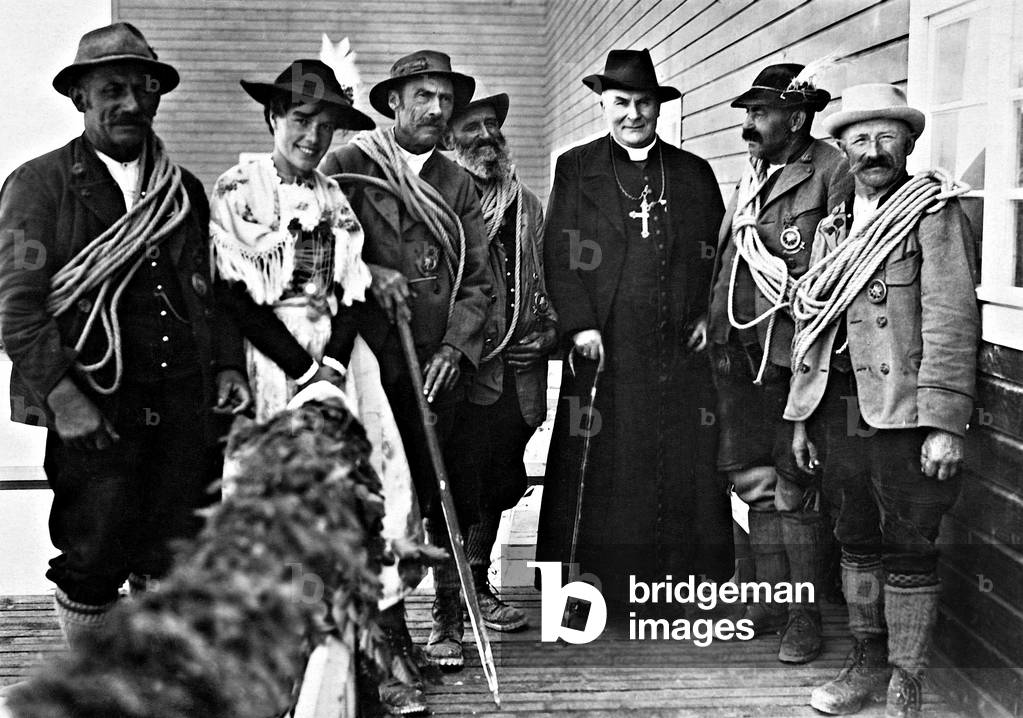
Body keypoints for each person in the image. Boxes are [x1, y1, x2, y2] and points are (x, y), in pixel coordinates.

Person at [0, 23, 251, 648]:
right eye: (113, 90)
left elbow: (215, 291)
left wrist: (226, 366)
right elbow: (15, 309)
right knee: (94, 555)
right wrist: (65, 400)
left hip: (184, 408)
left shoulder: (184, 191)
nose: (132, 104)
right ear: (80, 97)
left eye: (144, 89)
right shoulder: (39, 185)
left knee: (178, 554)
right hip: (95, 406)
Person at [783, 84, 979, 718]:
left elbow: (951, 320)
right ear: (843, 150)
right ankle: (866, 659)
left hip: (905, 410)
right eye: (860, 139)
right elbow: (813, 326)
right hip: (840, 406)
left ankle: (906, 675)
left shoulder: (932, 215)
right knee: (855, 537)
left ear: (909, 144)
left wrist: (945, 422)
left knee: (911, 541)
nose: (873, 151)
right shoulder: (833, 228)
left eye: (887, 137)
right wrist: (802, 417)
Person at [535, 49, 733, 612]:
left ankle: (675, 586)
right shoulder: (577, 167)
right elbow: (560, 254)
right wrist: (580, 326)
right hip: (605, 348)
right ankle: (589, 591)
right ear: (604, 105)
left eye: (644, 103)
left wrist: (708, 314)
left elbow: (719, 254)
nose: (633, 114)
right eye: (621, 102)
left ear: (658, 108)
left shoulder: (692, 173)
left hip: (676, 349)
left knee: (676, 463)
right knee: (599, 467)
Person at [320, 49, 492, 670]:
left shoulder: (459, 183)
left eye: (445, 98)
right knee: (375, 495)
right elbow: (322, 248)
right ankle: (384, 635)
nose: (436, 109)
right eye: (423, 95)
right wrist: (371, 275)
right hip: (368, 362)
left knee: (446, 491)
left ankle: (449, 618)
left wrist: (455, 346)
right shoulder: (348, 165)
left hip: (438, 367)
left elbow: (479, 278)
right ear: (393, 101)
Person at [706, 62, 851, 662]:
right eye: (748, 113)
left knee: (796, 486)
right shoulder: (752, 176)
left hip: (796, 359)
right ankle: (770, 600)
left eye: (759, 113)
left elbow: (837, 268)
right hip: (740, 356)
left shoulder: (832, 171)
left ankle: (804, 616)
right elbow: (732, 258)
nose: (749, 124)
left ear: (796, 118)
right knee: (755, 482)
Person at [444, 90, 557, 632]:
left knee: (501, 479)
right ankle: (452, 598)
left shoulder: (527, 205)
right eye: (472, 128)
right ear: (449, 140)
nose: (486, 135)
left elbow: (551, 281)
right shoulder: (441, 203)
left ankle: (477, 578)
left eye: (492, 125)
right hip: (461, 372)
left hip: (517, 372)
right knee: (456, 481)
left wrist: (551, 332)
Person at [210, 59, 375, 421]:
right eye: (301, 120)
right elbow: (234, 297)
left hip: (335, 359)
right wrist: (307, 372)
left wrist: (333, 365)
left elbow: (354, 291)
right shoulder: (238, 188)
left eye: (326, 126)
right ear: (274, 117)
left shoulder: (333, 196)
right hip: (273, 356)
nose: (313, 137)